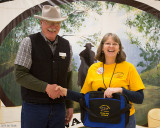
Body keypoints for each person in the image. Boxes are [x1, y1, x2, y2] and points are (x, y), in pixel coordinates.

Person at [56, 33, 145, 128]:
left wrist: (120, 90)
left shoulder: (129, 68)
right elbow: (84, 98)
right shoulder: (93, 68)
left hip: (124, 121)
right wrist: (65, 92)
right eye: (107, 43)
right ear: (102, 47)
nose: (111, 46)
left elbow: (139, 98)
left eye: (115, 44)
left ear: (119, 48)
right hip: (98, 120)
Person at [14, 5, 73, 128]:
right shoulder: (28, 42)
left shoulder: (67, 45)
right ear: (41, 22)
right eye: (49, 23)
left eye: (57, 23)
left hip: (59, 108)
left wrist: (70, 105)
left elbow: (68, 78)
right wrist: (46, 87)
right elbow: (20, 75)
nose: (53, 27)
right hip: (33, 108)